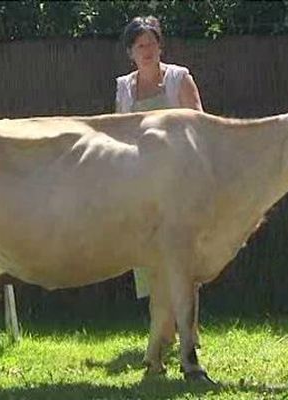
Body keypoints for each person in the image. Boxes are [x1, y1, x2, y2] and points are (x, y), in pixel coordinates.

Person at [114, 16, 204, 348]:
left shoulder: (179, 79)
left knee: (183, 259)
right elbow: (119, 132)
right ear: (131, 53)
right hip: (142, 187)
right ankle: (163, 330)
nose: (147, 50)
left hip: (179, 184)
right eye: (140, 46)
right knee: (150, 260)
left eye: (152, 43)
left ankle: (189, 331)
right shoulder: (124, 87)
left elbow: (199, 125)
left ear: (160, 46)